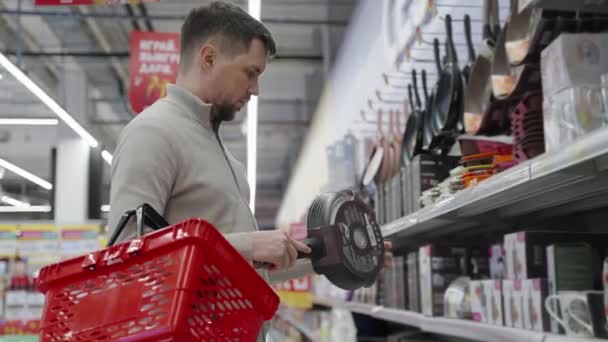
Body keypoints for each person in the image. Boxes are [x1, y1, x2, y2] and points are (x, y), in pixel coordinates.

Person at [109, 1, 391, 287]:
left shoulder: (228, 160)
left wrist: (334, 255)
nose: (255, 90)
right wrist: (249, 245)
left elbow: (245, 271)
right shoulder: (152, 133)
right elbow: (126, 258)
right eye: (250, 72)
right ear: (208, 58)